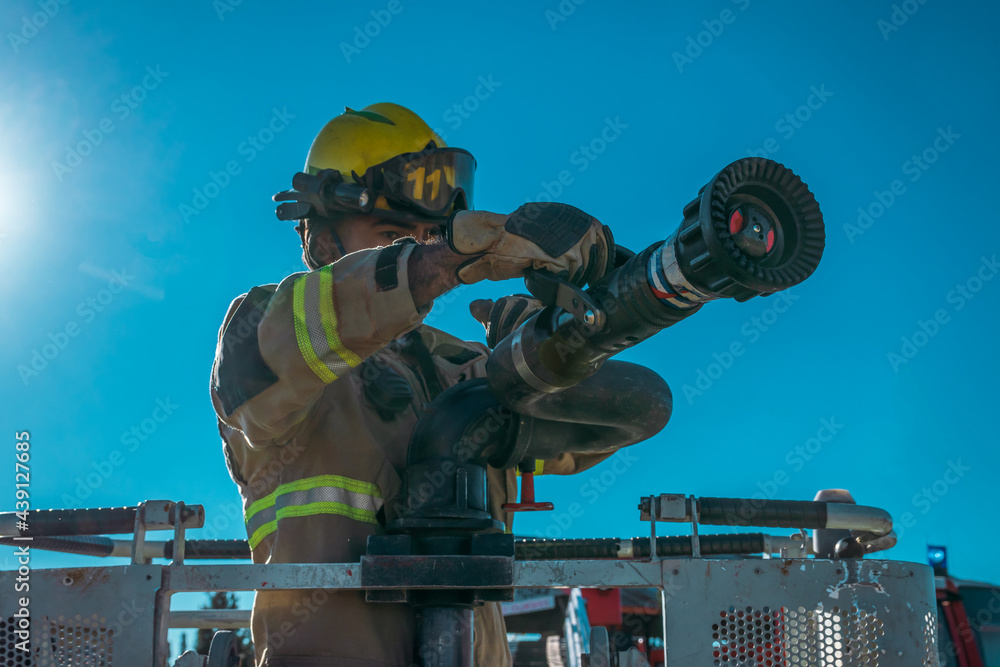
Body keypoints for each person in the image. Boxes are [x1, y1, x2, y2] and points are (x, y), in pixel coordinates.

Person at [210, 102, 627, 666]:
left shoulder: (463, 365)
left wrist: (575, 335)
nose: (417, 249)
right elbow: (267, 366)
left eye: (429, 236)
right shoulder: (265, 329)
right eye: (391, 235)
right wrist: (450, 257)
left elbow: (600, 427)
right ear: (321, 237)